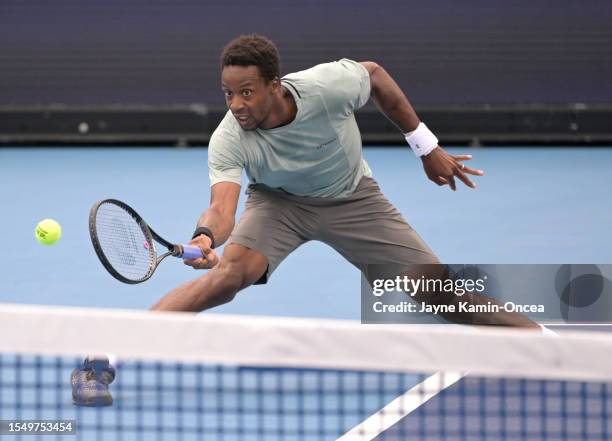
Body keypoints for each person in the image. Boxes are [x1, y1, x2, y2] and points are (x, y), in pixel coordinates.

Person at [72, 34, 539, 406]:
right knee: (229, 276)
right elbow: (222, 207)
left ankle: (550, 343)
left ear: (275, 85)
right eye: (228, 93)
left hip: (354, 198)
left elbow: (375, 75)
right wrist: (206, 234)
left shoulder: (325, 87)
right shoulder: (229, 136)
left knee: (437, 293)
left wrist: (426, 146)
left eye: (247, 92)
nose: (236, 104)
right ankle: (104, 355)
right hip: (279, 205)